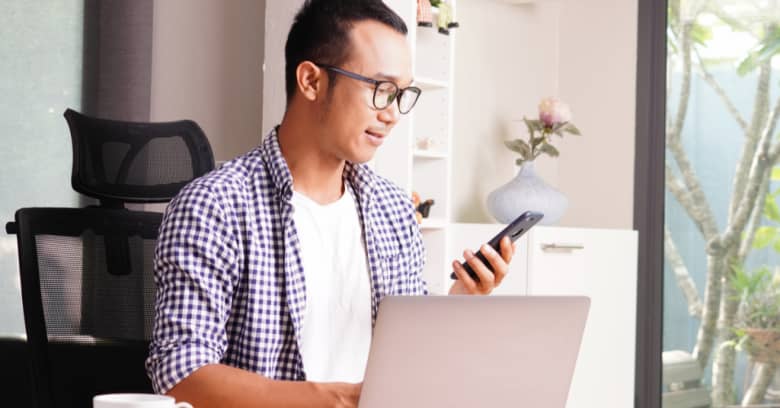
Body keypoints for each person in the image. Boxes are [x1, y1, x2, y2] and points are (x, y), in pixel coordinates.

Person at [145, 0, 516, 407]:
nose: (392, 114)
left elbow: (410, 360)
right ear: (310, 81)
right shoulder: (215, 206)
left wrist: (461, 299)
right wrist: (333, 399)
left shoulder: (392, 210)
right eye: (380, 90)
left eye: (402, 94)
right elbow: (181, 372)